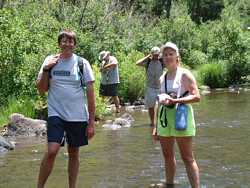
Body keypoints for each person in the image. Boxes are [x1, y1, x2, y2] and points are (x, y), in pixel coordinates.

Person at [36, 30, 95, 188]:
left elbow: (90, 94)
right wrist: (47, 69)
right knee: (52, 151)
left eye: (70, 41)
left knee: (74, 152)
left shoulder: (82, 63)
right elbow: (41, 89)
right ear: (59, 43)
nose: (67, 44)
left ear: (74, 45)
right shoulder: (50, 60)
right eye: (64, 40)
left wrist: (91, 123)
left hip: (77, 116)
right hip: (56, 113)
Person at [155, 42, 200, 187]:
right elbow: (159, 102)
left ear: (177, 57)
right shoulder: (162, 77)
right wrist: (155, 126)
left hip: (182, 117)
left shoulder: (185, 74)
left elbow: (196, 97)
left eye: (171, 54)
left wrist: (175, 100)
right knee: (167, 156)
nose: (168, 57)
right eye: (165, 54)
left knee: (187, 158)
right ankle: (170, 184)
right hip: (164, 120)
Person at [136, 47, 164, 128]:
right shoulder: (147, 62)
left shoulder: (162, 61)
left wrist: (162, 56)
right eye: (154, 55)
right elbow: (137, 63)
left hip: (160, 87)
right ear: (152, 54)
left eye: (157, 54)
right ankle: (152, 122)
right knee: (151, 106)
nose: (156, 56)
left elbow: (172, 63)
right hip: (150, 87)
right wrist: (148, 56)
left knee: (161, 106)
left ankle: (159, 122)